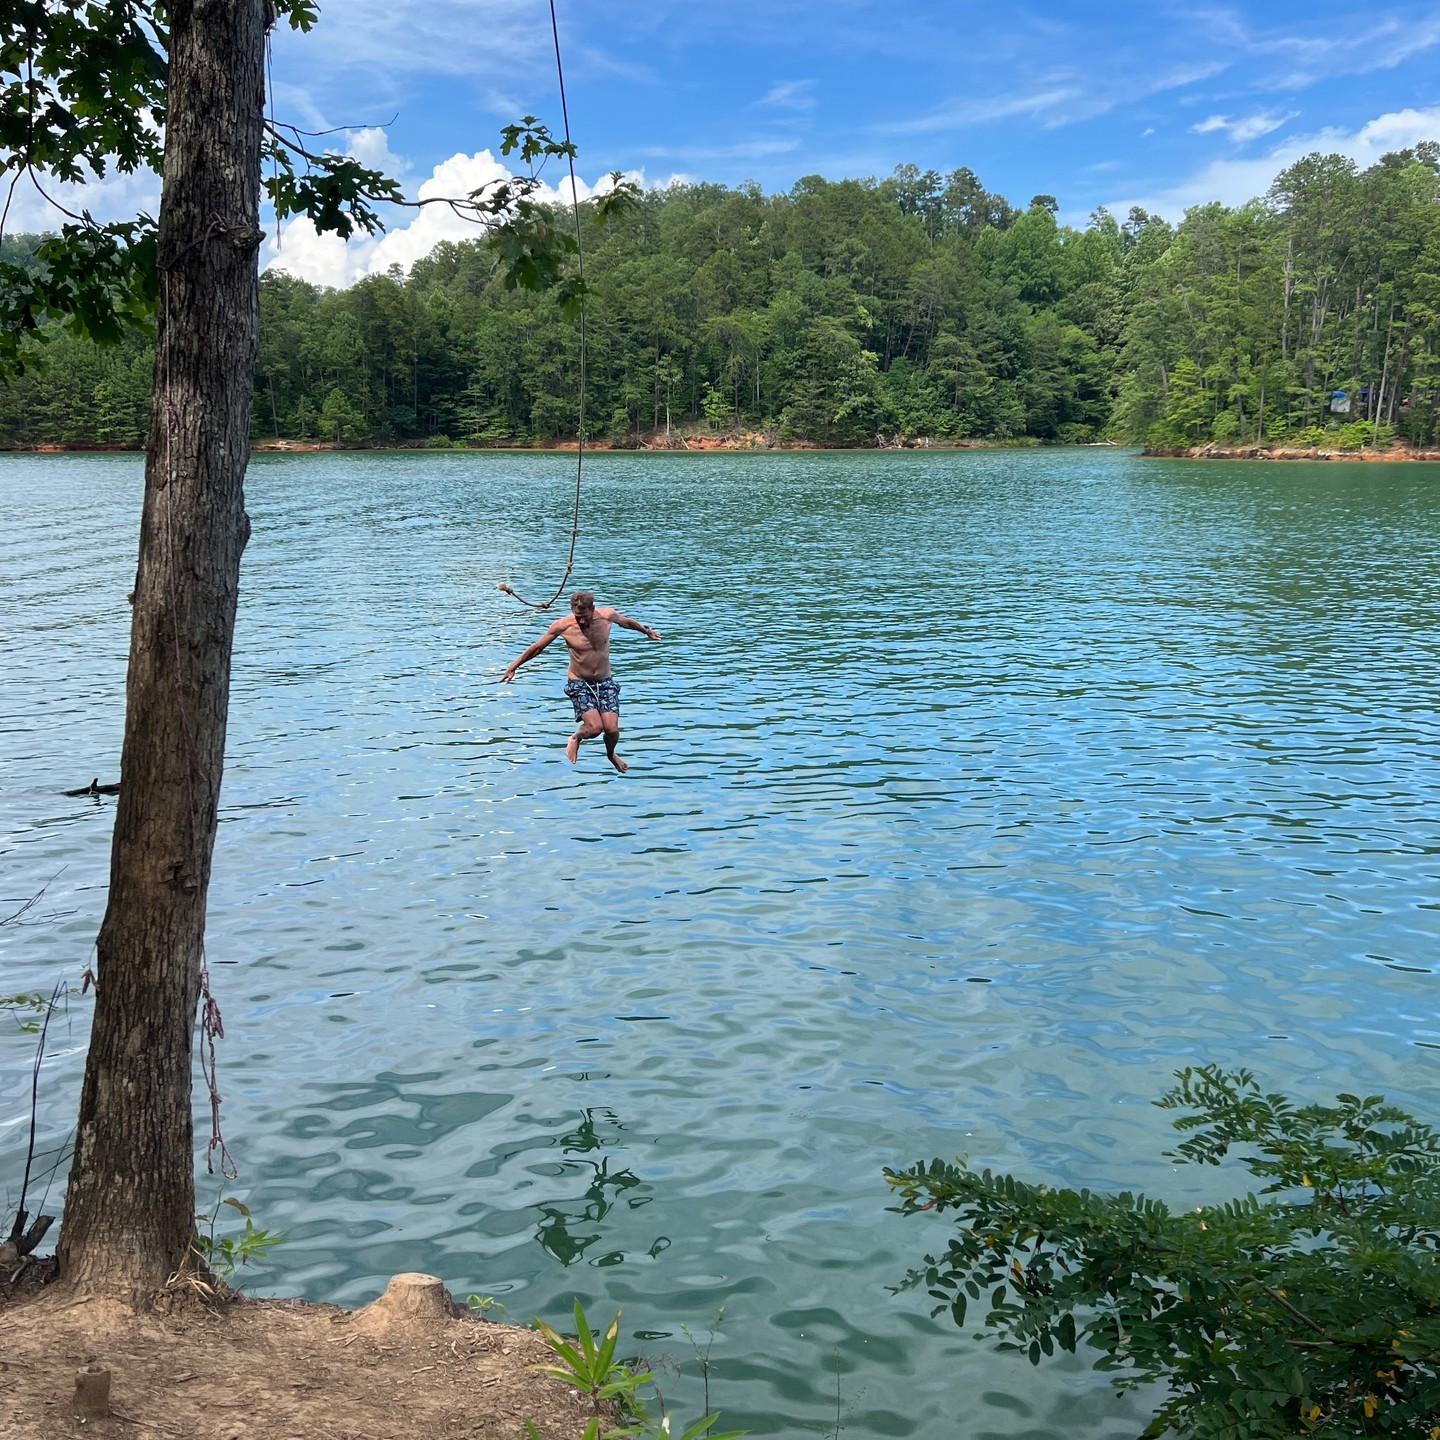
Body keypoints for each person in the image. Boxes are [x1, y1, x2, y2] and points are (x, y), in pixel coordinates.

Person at [501, 590, 662, 772]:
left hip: (605, 681)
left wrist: (646, 631)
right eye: (578, 617)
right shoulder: (563, 626)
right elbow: (537, 648)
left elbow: (626, 622)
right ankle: (576, 737)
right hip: (579, 682)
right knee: (595, 729)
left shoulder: (607, 616)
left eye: (585, 616)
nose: (582, 621)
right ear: (572, 610)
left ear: (593, 609)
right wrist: (513, 667)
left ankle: (611, 754)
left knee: (611, 729)